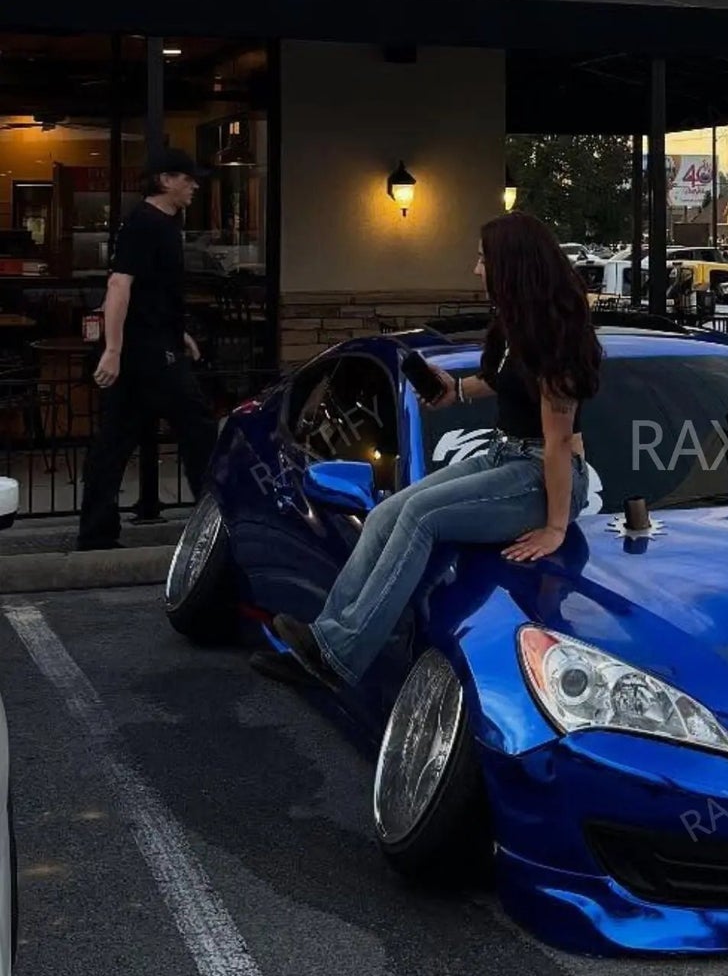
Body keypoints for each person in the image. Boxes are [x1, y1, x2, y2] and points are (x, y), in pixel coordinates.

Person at [268, 213, 600, 691]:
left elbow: (558, 443)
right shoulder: (517, 323)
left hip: (539, 476)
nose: (476, 270)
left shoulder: (557, 342)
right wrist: (456, 390)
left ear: (511, 265)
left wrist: (554, 525)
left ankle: (340, 659)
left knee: (422, 516)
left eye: (484, 260)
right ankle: (324, 640)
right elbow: (504, 379)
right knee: (387, 515)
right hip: (506, 456)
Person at [77, 149, 215, 552]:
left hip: (155, 346)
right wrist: (113, 349)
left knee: (115, 440)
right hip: (149, 355)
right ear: (165, 180)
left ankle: (97, 533)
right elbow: (119, 286)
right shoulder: (146, 224)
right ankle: (216, 525)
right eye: (188, 178)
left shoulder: (164, 224)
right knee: (199, 429)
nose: (195, 185)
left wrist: (179, 332)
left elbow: (156, 293)